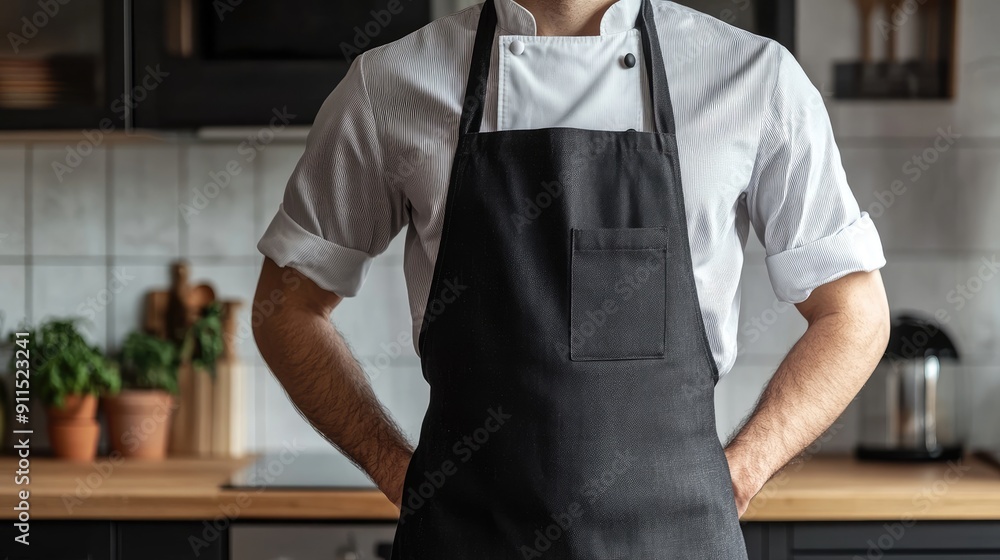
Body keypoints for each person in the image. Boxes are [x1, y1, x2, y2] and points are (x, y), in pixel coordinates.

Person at [253, 0, 890, 557]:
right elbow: (285, 307)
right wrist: (399, 472)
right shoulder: (392, 84)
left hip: (676, 542)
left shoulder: (754, 78)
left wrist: (743, 470)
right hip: (466, 539)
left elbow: (854, 315)